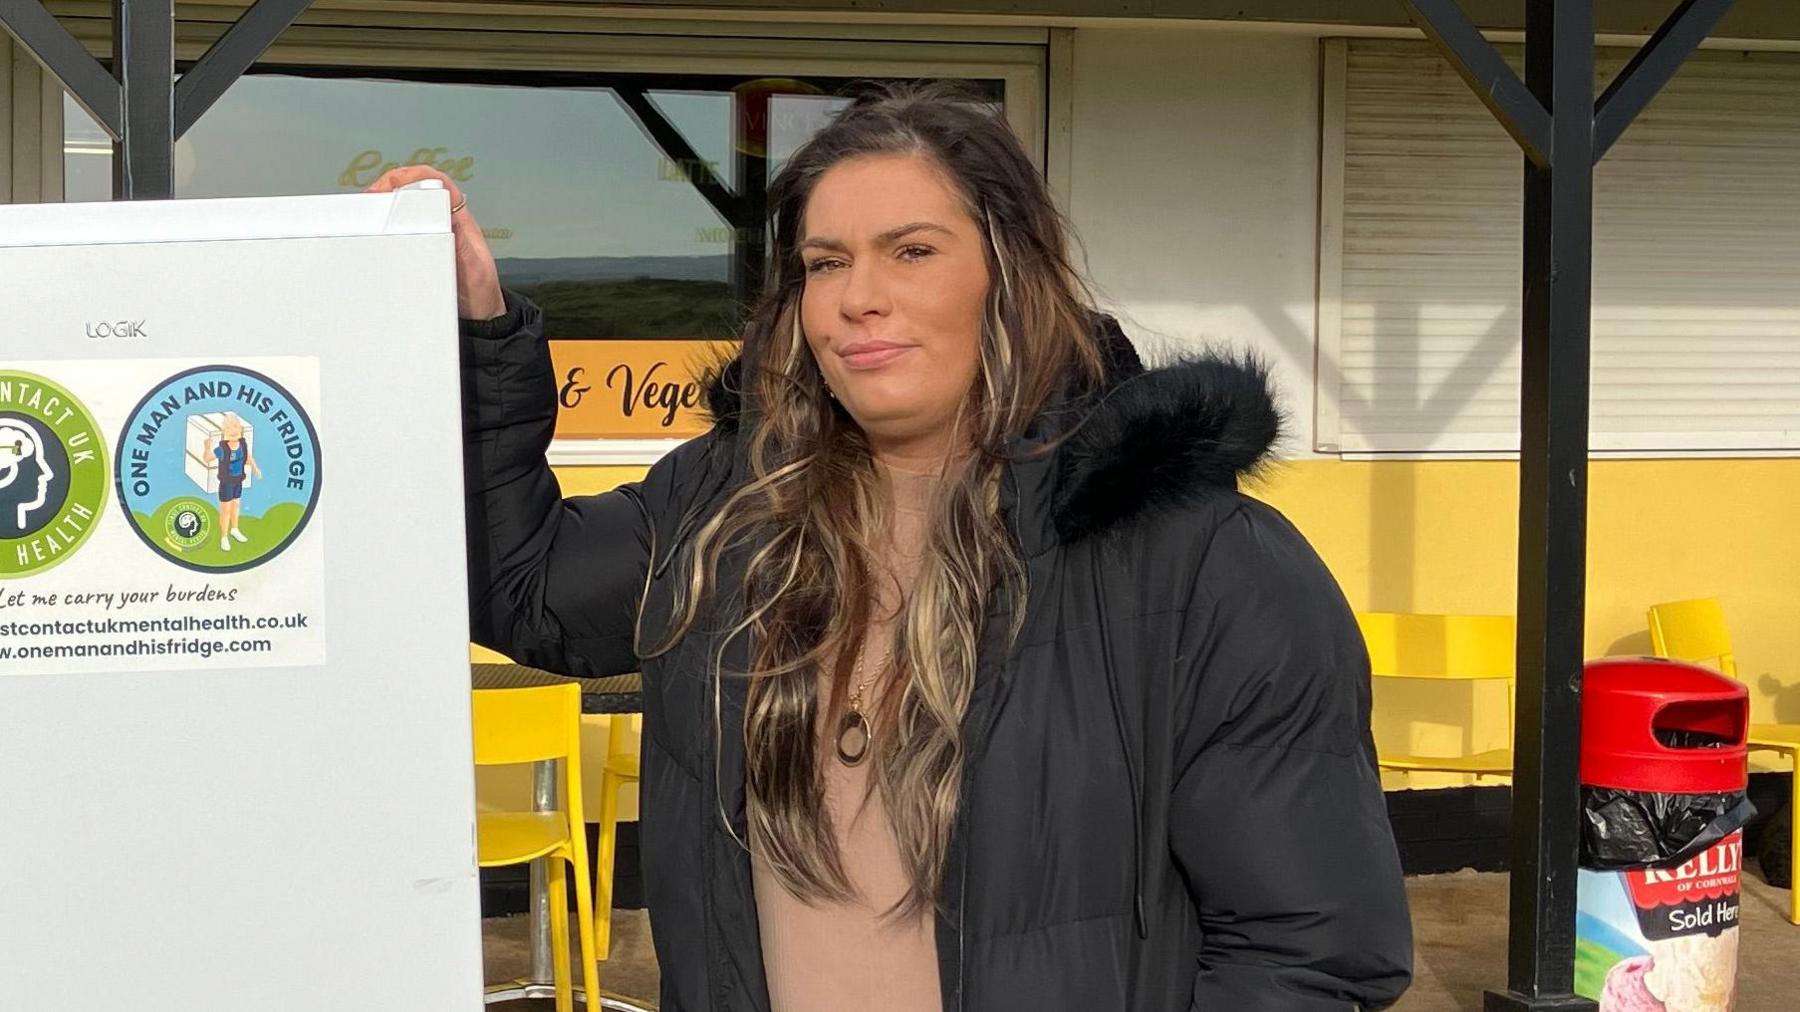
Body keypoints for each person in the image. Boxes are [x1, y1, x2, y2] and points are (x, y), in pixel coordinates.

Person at [374, 81, 1412, 1011]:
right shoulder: (725, 509)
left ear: (1009, 272)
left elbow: (1308, 950)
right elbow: (525, 588)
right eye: (826, 263)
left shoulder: (1206, 564)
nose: (857, 296)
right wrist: (477, 340)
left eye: (911, 251)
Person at [202, 413, 262, 552]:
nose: (233, 430)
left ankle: (234, 529)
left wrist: (255, 468)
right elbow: (207, 458)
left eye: (235, 426)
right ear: (224, 431)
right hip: (226, 483)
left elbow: (247, 458)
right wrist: (206, 446)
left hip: (238, 481)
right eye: (229, 427)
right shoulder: (222, 449)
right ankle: (224, 537)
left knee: (236, 506)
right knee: (226, 510)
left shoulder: (243, 444)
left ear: (240, 428)